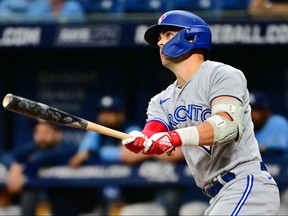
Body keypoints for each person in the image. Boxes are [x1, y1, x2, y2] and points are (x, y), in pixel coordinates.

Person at [121, 10, 280, 215]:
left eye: (168, 35)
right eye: (159, 39)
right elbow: (153, 133)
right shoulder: (161, 100)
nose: (160, 43)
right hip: (218, 196)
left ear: (192, 36)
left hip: (246, 185)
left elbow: (227, 126)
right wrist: (142, 140)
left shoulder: (221, 74)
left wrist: (172, 138)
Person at [69, 95, 166, 216]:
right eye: (102, 112)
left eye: (110, 112)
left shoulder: (132, 130)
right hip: (105, 199)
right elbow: (77, 160)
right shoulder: (96, 134)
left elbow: (127, 156)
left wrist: (99, 152)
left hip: (136, 198)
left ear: (121, 115)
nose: (104, 117)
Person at [0, 120, 90, 216]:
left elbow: (42, 158)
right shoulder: (33, 148)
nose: (41, 136)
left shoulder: (68, 149)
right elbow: (6, 156)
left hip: (76, 209)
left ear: (58, 134)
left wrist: (24, 167)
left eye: (46, 132)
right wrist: (14, 166)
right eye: (37, 132)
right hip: (46, 205)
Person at [249, 90, 288, 158]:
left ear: (266, 111)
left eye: (257, 110)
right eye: (249, 110)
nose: (252, 114)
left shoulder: (278, 123)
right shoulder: (243, 126)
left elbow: (278, 151)